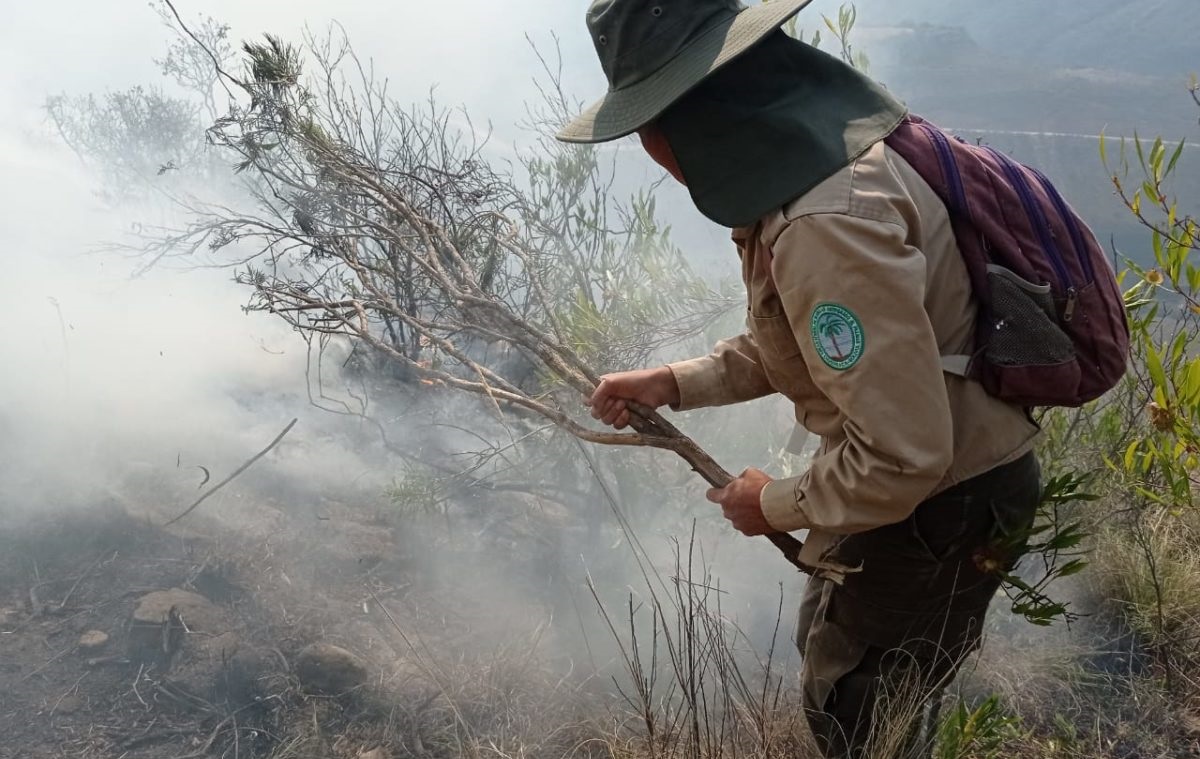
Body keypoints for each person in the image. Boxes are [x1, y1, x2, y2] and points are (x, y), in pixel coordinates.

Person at [556, 1, 1043, 757]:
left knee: (858, 713)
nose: (652, 148)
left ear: (695, 116)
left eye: (649, 124)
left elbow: (905, 454)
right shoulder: (808, 179)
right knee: (841, 667)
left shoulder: (826, 221)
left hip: (940, 504)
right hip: (910, 492)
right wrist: (672, 380)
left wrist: (771, 503)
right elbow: (801, 341)